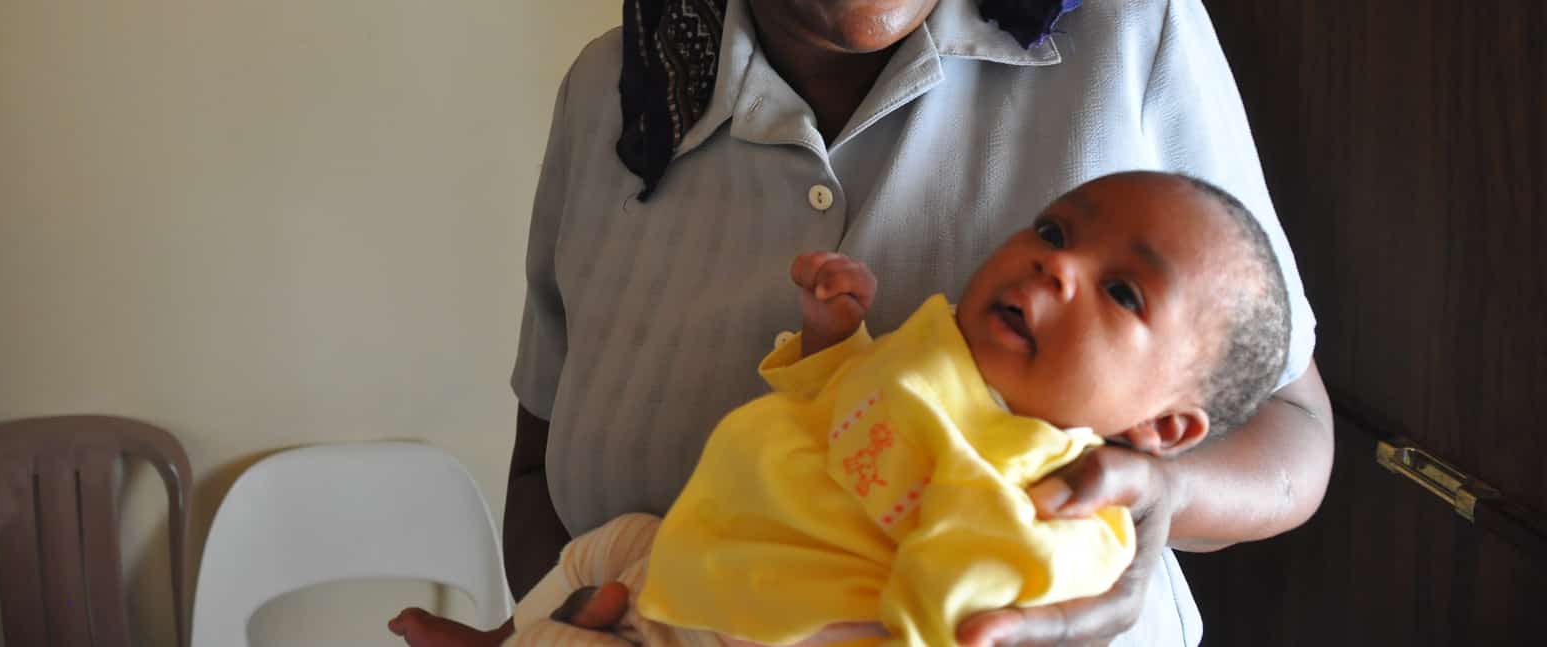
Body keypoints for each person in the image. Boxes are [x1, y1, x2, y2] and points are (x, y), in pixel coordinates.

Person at [395, 0, 1334, 644]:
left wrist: (1165, 494)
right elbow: (541, 468)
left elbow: (1294, 434)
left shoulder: (1127, 35)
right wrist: (559, 624)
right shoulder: (615, 103)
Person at [466, 171, 1290, 647]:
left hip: (765, 631)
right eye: (1051, 228)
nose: (1056, 265)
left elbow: (954, 615)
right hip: (683, 568)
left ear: (1163, 427)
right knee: (597, 550)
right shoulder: (938, 351)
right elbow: (849, 404)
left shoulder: (1044, 492)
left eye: (1121, 290)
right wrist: (833, 336)